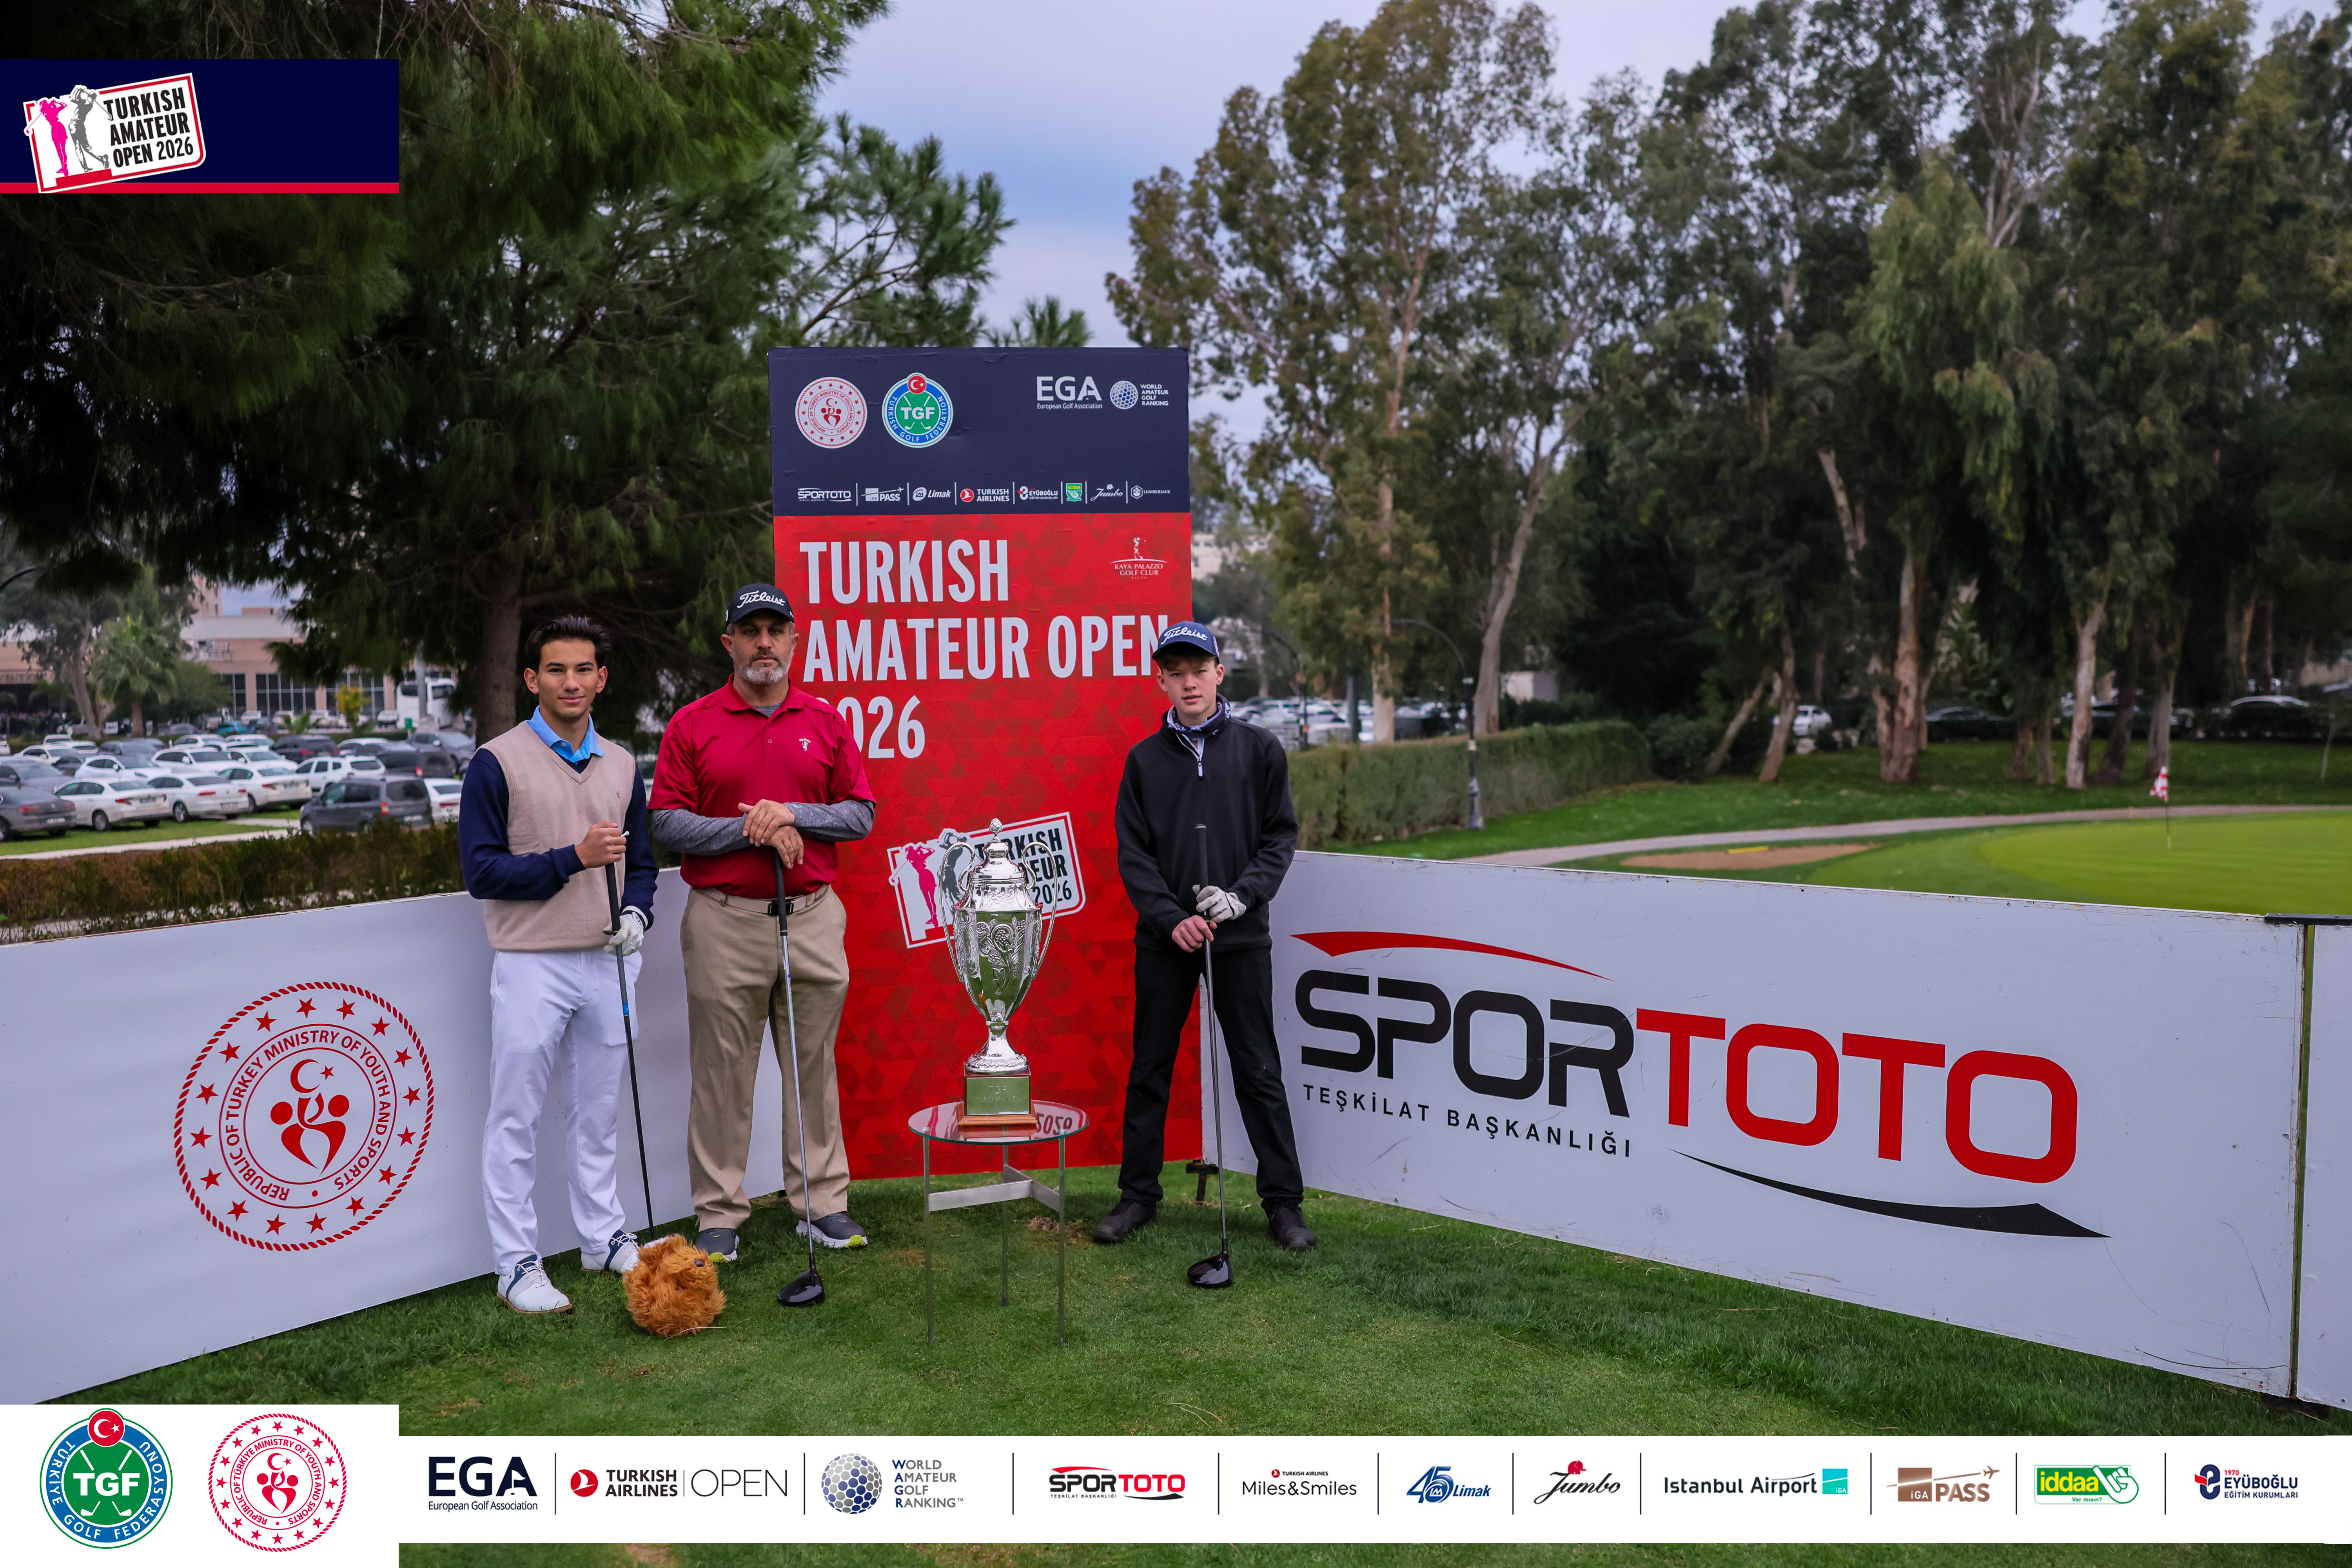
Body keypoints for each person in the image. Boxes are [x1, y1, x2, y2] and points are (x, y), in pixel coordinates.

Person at [650, 583, 877, 1263]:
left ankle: (822, 1204)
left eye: (776, 631)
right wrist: (755, 828)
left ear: (795, 641)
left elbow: (860, 814)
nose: (764, 643)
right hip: (726, 920)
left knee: (813, 1069)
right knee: (722, 1075)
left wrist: (792, 813)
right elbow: (667, 822)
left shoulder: (825, 720)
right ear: (730, 643)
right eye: (751, 631)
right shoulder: (693, 723)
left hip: (812, 917)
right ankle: (720, 1213)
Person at [459, 615, 657, 1315]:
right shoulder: (496, 762)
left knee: (597, 1113)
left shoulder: (623, 764)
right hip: (531, 963)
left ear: (602, 679)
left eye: (583, 670)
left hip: (607, 960)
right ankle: (516, 1264)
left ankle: (602, 1238)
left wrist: (638, 915)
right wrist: (573, 858)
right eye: (555, 670)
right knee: (515, 1117)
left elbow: (642, 865)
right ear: (531, 679)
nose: (570, 682)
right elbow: (482, 873)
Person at [1097, 621, 1314, 1251]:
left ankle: (1284, 1205)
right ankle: (1138, 1196)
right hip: (1166, 940)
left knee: (1258, 1069)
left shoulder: (1259, 749)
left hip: (1240, 937)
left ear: (1220, 673)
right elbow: (1134, 855)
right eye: (1176, 673)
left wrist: (1242, 896)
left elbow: (1279, 837)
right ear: (1160, 681)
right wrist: (1172, 917)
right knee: (1150, 1070)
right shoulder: (1144, 761)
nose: (1189, 682)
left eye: (1199, 670)